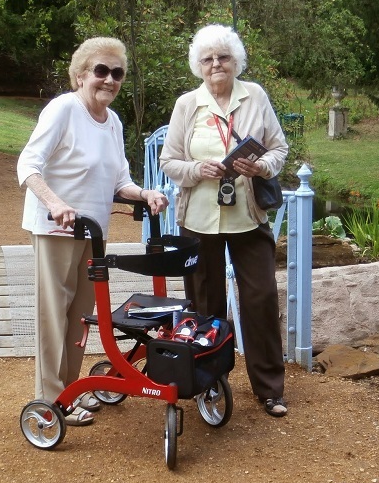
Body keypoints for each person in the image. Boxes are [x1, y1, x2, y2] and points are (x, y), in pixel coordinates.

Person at [17, 37, 168, 426]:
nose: (109, 80)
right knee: (55, 315)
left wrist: (145, 193)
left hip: (93, 232)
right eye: (101, 71)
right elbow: (28, 164)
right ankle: (51, 400)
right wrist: (54, 203)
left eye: (117, 73)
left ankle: (70, 391)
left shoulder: (113, 121)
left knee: (82, 317)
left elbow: (120, 181)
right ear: (81, 75)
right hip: (56, 231)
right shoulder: (63, 110)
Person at [159, 24, 289, 417]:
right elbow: (169, 162)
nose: (216, 64)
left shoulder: (255, 96)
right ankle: (208, 384)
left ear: (236, 61)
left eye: (224, 57)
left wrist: (260, 166)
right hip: (199, 220)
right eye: (208, 59)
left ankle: (269, 389)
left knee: (261, 298)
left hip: (248, 217)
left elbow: (279, 148)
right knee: (204, 305)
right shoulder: (187, 104)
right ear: (198, 66)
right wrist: (198, 169)